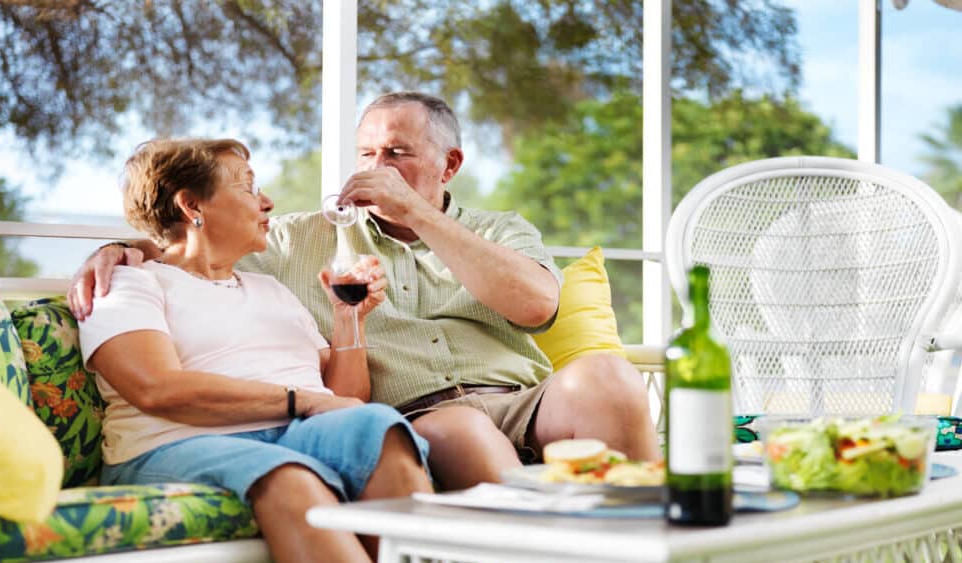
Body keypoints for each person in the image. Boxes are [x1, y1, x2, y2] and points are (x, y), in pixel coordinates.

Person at [70, 92, 660, 491]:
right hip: (425, 417)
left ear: (449, 165)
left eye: (397, 154)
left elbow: (537, 304)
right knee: (464, 429)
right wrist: (121, 249)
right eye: (368, 154)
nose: (378, 166)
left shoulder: (498, 230)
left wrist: (417, 213)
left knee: (609, 377)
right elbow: (199, 244)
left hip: (523, 400)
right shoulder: (302, 238)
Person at [76, 137, 432, 563]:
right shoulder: (129, 283)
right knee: (289, 476)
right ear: (191, 205)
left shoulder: (271, 291)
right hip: (177, 443)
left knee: (379, 430)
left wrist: (349, 322)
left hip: (292, 429)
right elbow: (157, 388)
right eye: (248, 188)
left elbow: (345, 399)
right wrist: (298, 402)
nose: (267, 202)